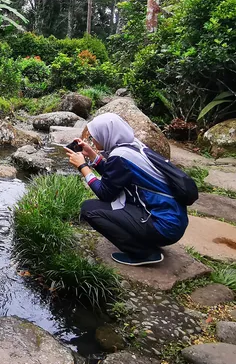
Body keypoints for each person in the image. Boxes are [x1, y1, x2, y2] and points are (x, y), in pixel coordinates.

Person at [66, 113, 189, 266]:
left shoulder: (120, 156)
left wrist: (82, 166)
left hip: (163, 225)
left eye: (93, 136)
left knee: (89, 209)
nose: (92, 140)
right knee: (103, 206)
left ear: (106, 135)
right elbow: (117, 176)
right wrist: (92, 155)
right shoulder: (132, 146)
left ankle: (143, 253)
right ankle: (146, 240)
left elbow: (105, 193)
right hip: (172, 220)